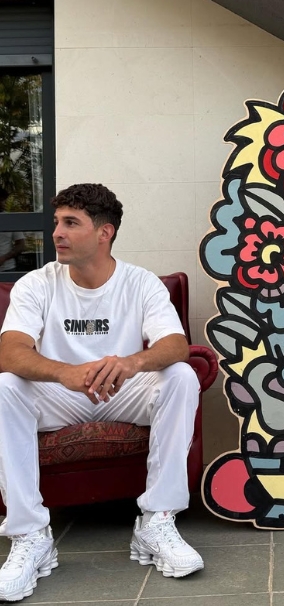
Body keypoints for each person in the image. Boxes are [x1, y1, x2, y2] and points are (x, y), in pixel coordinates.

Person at [0, 183, 203, 602]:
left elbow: (175, 344)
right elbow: (10, 351)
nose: (57, 233)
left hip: (122, 391)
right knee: (5, 386)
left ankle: (156, 521)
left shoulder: (141, 283)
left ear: (104, 232)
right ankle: (30, 535)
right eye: (57, 222)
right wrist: (64, 373)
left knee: (181, 376)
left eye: (71, 223)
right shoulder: (36, 284)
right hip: (61, 394)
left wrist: (131, 363)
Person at [0, 187, 25, 272]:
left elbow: (21, 245)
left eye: (4, 200)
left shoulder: (10, 219)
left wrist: (4, 258)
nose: (4, 203)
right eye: (2, 200)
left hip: (7, 269)